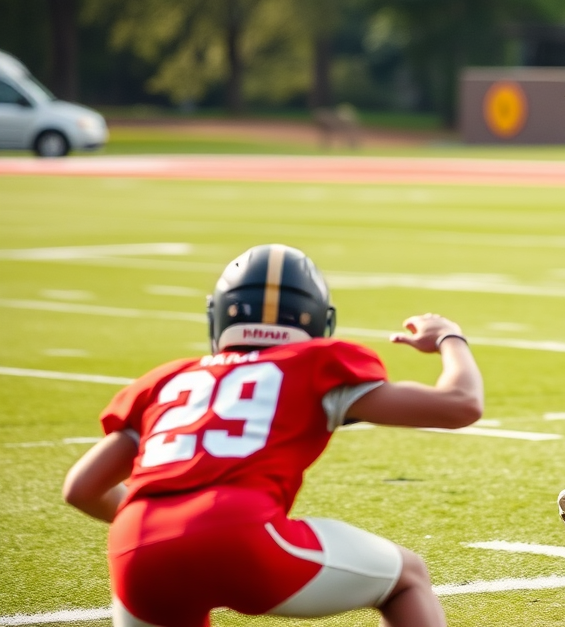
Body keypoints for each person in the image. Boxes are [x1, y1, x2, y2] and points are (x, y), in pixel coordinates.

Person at [62, 244, 484, 627]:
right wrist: (450, 337)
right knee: (406, 578)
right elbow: (461, 404)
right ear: (321, 319)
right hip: (241, 531)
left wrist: (171, 532)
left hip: (137, 546)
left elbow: (80, 489)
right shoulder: (313, 364)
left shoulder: (167, 380)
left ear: (219, 314)